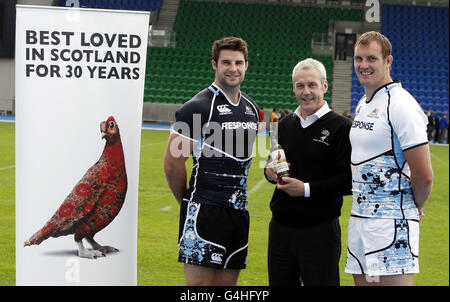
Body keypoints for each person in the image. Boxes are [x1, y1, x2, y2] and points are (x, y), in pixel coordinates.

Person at [163, 37, 259, 286]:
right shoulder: (196, 108)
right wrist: (186, 201)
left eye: (239, 62)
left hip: (239, 214)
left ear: (246, 65)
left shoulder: (251, 107)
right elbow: (172, 164)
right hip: (205, 211)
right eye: (226, 62)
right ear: (214, 64)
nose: (233, 68)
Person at [345, 31, 433, 286]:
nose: (363, 65)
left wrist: (416, 204)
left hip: (391, 224)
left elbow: (424, 174)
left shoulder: (401, 104)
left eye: (371, 58)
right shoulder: (364, 102)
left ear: (388, 61)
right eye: (359, 58)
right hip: (360, 221)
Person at [264, 58, 352, 286]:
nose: (306, 92)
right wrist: (269, 172)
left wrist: (305, 190)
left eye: (312, 85)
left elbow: (349, 181)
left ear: (324, 86)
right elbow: (272, 162)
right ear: (294, 88)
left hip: (319, 230)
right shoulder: (282, 125)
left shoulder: (342, 127)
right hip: (281, 229)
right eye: (300, 86)